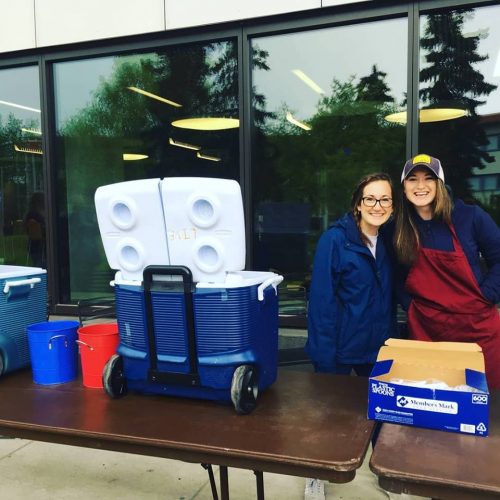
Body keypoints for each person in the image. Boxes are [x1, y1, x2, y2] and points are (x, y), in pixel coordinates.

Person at [305, 172, 398, 500]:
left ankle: (386, 475)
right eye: (370, 198)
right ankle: (316, 476)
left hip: (377, 348)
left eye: (384, 199)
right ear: (358, 204)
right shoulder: (335, 240)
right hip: (340, 349)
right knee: (329, 418)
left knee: (382, 417)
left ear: (392, 206)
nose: (377, 205)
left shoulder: (388, 242)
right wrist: (324, 356)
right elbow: (321, 302)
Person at [394, 153, 500, 389]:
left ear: (439, 184)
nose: (420, 186)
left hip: (478, 330)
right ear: (404, 187)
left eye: (428, 178)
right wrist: (409, 305)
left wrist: (487, 295)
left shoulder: (469, 216)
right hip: (427, 331)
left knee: (486, 401)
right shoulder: (399, 227)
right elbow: (396, 275)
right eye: (412, 179)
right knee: (433, 400)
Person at [24, 192, 46, 268]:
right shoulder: (35, 215)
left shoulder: (29, 214)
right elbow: (44, 229)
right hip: (41, 246)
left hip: (32, 245)